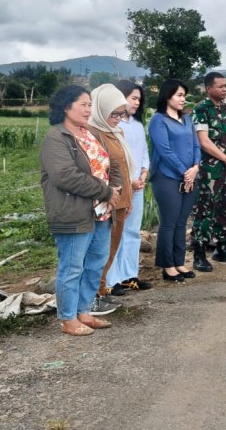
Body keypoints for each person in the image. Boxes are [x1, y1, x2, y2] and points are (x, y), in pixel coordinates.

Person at [40, 85, 122, 336]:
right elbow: (65, 176)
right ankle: (67, 318)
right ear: (66, 107)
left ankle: (84, 311)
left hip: (101, 212)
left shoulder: (89, 134)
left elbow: (113, 163)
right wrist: (105, 191)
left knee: (95, 264)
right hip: (74, 212)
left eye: (90, 104)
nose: (88, 110)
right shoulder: (56, 138)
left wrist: (115, 187)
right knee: (72, 266)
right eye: (83, 105)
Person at [148, 79, 202, 283]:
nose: (183, 99)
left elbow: (196, 145)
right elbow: (165, 151)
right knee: (169, 223)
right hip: (167, 178)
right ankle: (167, 265)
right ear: (167, 96)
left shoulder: (187, 119)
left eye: (184, 95)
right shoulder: (158, 121)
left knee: (181, 222)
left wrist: (195, 168)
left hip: (190, 176)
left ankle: (179, 262)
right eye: (179, 95)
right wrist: (184, 172)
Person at [192, 72, 226, 271]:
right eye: (221, 86)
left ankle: (222, 248)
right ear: (209, 88)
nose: (224, 89)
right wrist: (225, 159)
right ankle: (199, 253)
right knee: (206, 210)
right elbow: (204, 142)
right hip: (210, 172)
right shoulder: (200, 110)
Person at [87, 84, 134, 305]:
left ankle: (101, 289)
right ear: (100, 109)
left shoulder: (117, 131)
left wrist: (129, 197)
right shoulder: (92, 133)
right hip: (106, 201)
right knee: (100, 252)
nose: (118, 118)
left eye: (121, 113)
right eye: (113, 113)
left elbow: (124, 168)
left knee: (112, 248)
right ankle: (95, 293)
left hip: (122, 200)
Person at [108, 80, 152, 293]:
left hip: (137, 185)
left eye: (139, 99)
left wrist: (144, 172)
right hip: (121, 185)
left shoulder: (136, 124)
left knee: (133, 232)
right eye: (133, 98)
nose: (137, 102)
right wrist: (130, 180)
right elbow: (118, 160)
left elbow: (143, 152)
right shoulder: (114, 126)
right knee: (116, 232)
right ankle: (111, 279)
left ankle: (129, 275)